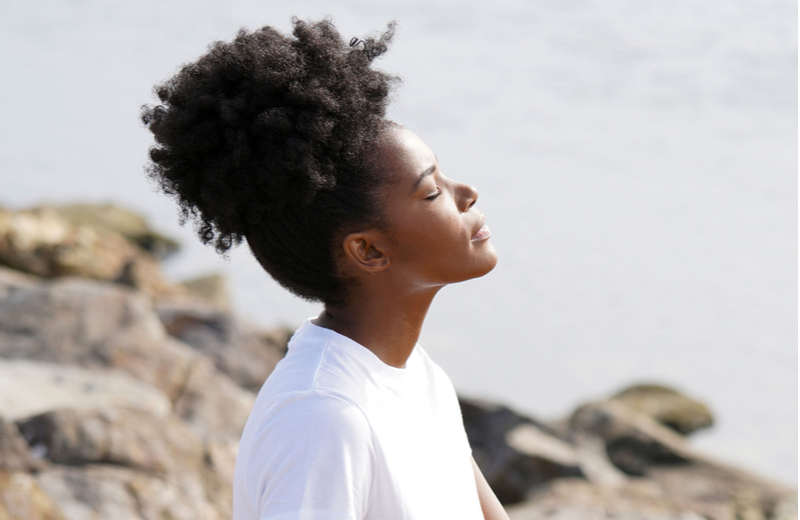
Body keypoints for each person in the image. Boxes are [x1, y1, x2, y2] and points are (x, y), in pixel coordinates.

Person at [141, 18, 508, 520]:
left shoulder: (419, 378)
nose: (466, 193)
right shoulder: (324, 418)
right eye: (431, 191)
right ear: (369, 251)